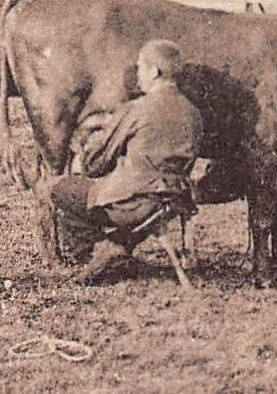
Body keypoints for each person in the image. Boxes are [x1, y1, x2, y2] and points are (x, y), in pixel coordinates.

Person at [48, 40, 203, 280]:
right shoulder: (193, 112)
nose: (137, 74)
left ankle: (90, 255)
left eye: (140, 67)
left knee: (60, 189)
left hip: (133, 205)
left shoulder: (138, 109)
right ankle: (115, 249)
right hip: (172, 202)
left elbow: (96, 163)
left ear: (154, 72)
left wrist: (87, 145)